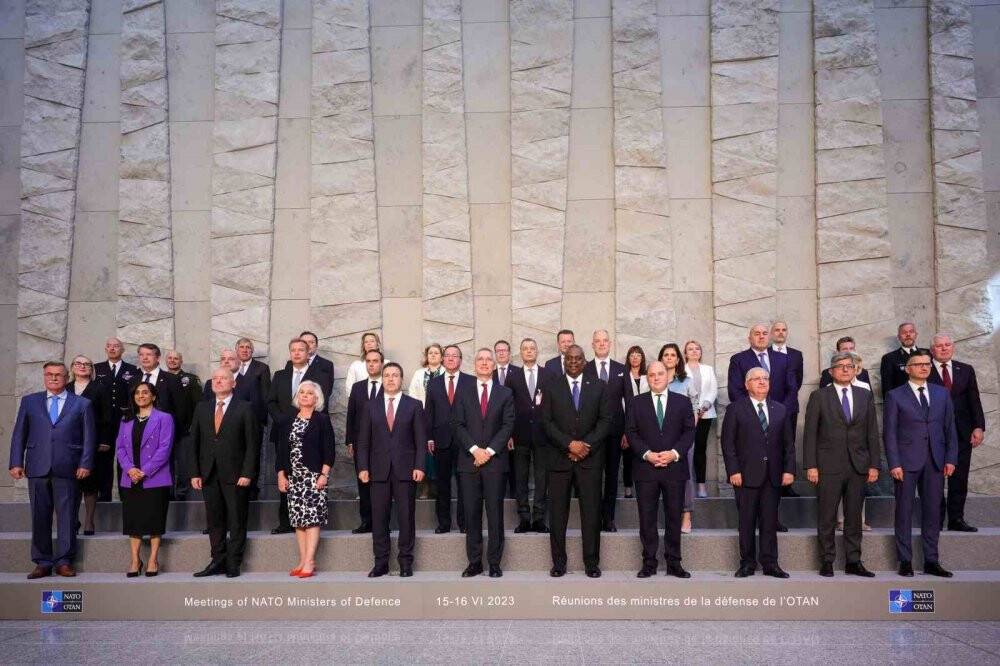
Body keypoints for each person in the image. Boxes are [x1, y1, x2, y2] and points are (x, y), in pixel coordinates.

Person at [9, 362, 95, 578]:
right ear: (44, 377)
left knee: (67, 516)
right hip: (37, 466)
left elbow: (89, 438)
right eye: (50, 375)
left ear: (67, 378)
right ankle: (43, 561)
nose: (54, 378)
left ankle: (64, 561)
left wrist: (85, 463)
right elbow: (19, 434)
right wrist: (16, 462)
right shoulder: (30, 402)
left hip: (69, 467)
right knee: (39, 516)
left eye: (58, 375)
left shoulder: (82, 404)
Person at [803, 352, 881, 578]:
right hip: (828, 466)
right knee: (827, 516)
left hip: (858, 466)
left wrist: (874, 465)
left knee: (854, 516)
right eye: (841, 366)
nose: (846, 369)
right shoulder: (819, 396)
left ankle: (853, 561)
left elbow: (872, 434)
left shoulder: (864, 396)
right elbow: (810, 435)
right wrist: (811, 466)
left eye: (850, 366)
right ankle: (827, 561)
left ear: (856, 370)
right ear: (831, 371)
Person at [884, 350, 958, 578]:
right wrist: (894, 462)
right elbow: (889, 433)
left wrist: (950, 458)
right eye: (918, 364)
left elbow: (950, 429)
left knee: (933, 512)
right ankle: (905, 560)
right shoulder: (895, 396)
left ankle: (931, 560)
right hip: (906, 462)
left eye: (927, 364)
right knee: (904, 512)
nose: (924, 367)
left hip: (935, 461)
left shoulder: (942, 393)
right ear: (908, 369)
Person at [542, 344, 611, 578]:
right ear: (564, 361)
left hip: (589, 461)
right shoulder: (551, 387)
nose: (573, 362)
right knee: (558, 514)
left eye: (578, 358)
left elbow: (605, 421)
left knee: (591, 513)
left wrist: (584, 446)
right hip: (559, 460)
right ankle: (559, 563)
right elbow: (547, 423)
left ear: (584, 361)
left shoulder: (600, 386)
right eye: (569, 358)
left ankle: (591, 563)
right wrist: (569, 444)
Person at [721, 367, 795, 579]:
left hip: (773, 475)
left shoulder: (780, 409)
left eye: (765, 378)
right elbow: (728, 444)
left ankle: (771, 563)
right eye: (757, 379)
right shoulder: (735, 409)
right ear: (747, 384)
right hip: (745, 476)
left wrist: (789, 470)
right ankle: (747, 563)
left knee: (770, 521)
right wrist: (733, 471)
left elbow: (788, 444)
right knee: (746, 522)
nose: (762, 382)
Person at [626, 361, 696, 578]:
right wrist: (648, 454)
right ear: (647, 379)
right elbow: (631, 432)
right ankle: (649, 563)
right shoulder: (636, 403)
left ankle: (674, 563)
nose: (656, 378)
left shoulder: (683, 402)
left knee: (674, 517)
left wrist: (673, 454)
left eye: (660, 374)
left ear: (667, 376)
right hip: (646, 469)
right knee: (647, 519)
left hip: (674, 468)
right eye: (652, 375)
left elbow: (689, 433)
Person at [356, 363, 427, 578]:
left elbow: (420, 440)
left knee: (406, 518)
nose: (390, 379)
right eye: (387, 375)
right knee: (379, 518)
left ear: (401, 379)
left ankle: (406, 562)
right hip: (377, 471)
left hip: (406, 471)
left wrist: (420, 465)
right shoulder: (370, 406)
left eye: (395, 375)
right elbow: (363, 441)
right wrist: (363, 467)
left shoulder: (413, 405)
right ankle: (381, 563)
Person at [727, 323, 799, 531]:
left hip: (777, 421)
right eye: (756, 334)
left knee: (773, 475)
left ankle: (772, 520)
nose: (761, 337)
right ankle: (749, 522)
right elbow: (735, 390)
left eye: (764, 333)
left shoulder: (783, 359)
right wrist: (754, 411)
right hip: (749, 425)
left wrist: (777, 412)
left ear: (769, 337)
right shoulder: (738, 359)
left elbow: (792, 388)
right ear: (749, 338)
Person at [190, 367, 260, 578]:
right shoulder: (202, 408)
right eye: (215, 378)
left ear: (234, 383)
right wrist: (194, 472)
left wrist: (247, 473)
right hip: (209, 474)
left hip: (236, 475)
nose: (219, 381)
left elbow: (252, 445)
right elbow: (194, 443)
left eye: (224, 378)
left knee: (237, 519)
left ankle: (233, 562)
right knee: (214, 520)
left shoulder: (245, 408)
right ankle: (217, 560)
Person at [454, 349, 515, 577]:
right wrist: (474, 450)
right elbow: (457, 424)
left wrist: (488, 451)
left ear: (494, 364)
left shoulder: (505, 393)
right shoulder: (462, 392)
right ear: (474, 364)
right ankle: (475, 562)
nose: (484, 363)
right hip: (469, 463)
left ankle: (495, 563)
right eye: (480, 359)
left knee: (495, 514)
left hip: (495, 463)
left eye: (489, 360)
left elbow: (508, 425)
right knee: (471, 514)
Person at [268, 338, 331, 534]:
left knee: (307, 475)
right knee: (285, 474)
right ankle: (285, 521)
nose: (296, 353)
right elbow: (271, 402)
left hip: (310, 431)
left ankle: (307, 521)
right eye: (293, 350)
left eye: (301, 350)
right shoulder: (280, 375)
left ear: (308, 353)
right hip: (284, 429)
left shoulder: (319, 375)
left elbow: (322, 400)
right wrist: (284, 421)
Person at [274, 380, 336, 578]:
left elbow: (329, 449)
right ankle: (302, 560)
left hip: (312, 477)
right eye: (302, 392)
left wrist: (324, 474)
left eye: (310, 393)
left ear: (316, 398)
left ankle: (310, 561)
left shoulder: (322, 419)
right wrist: (281, 474)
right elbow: (282, 450)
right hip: (294, 477)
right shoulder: (288, 420)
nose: (305, 395)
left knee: (312, 520)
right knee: (298, 521)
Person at [928, 334, 986, 532]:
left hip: (962, 432)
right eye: (939, 346)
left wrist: (979, 426)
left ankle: (956, 519)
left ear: (953, 347)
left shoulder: (966, 370)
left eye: (947, 345)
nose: (944, 348)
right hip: (933, 433)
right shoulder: (924, 368)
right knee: (934, 478)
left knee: (959, 478)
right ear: (932, 350)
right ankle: (936, 520)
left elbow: (974, 400)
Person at [116, 382, 174, 577]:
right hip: (130, 478)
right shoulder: (126, 420)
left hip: (155, 478)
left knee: (154, 519)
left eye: (145, 392)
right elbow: (120, 448)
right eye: (137, 393)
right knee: (133, 521)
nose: (141, 396)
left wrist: (144, 471)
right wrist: (130, 469)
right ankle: (135, 560)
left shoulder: (164, 418)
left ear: (153, 396)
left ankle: (152, 559)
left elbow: (165, 448)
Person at [425, 345, 474, 533]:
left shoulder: (471, 381)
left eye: (455, 356)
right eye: (448, 356)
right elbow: (429, 412)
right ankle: (444, 523)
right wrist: (429, 437)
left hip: (465, 442)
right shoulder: (434, 383)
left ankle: (464, 523)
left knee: (465, 485)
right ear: (443, 360)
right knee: (442, 485)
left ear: (461, 360)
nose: (451, 358)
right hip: (441, 440)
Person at [585, 330, 627, 533]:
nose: (601, 344)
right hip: (591, 433)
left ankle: (608, 518)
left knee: (611, 476)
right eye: (598, 341)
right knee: (593, 477)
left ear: (610, 344)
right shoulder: (585, 368)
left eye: (605, 341)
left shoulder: (621, 369)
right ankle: (593, 517)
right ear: (592, 345)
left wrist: (628, 431)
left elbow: (630, 401)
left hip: (615, 433)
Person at [67, 355, 114, 535]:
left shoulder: (100, 388)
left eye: (87, 364)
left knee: (90, 482)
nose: (82, 366)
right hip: (68, 442)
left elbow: (108, 417)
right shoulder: (65, 388)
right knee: (70, 483)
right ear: (72, 367)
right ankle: (72, 521)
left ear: (92, 369)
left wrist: (105, 440)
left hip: (92, 442)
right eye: (78, 363)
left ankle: (88, 522)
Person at [509, 338, 551, 533]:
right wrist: (508, 434)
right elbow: (507, 408)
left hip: (543, 436)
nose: (529, 351)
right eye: (525, 348)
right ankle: (524, 518)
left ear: (537, 351)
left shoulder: (547, 374)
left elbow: (553, 405)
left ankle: (540, 518)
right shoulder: (513, 376)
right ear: (520, 352)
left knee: (543, 478)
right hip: (519, 435)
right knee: (521, 478)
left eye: (532, 348)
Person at [659, 343, 699, 533]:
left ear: (677, 359)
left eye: (672, 355)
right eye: (665, 354)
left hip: (682, 438)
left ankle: (687, 515)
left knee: (686, 475)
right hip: (659, 438)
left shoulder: (686, 381)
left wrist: (688, 434)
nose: (669, 357)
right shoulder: (654, 379)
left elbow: (695, 409)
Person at [344, 348, 384, 534]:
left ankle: (383, 523)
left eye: (375, 361)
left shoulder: (390, 385)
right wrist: (350, 441)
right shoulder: (358, 387)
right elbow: (351, 415)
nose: (372, 364)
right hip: (362, 444)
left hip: (385, 444)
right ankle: (366, 522)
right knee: (364, 483)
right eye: (368, 361)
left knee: (383, 484)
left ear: (381, 364)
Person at [164, 350, 201, 499]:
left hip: (184, 430)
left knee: (184, 463)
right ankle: (167, 493)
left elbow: (198, 404)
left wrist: (194, 426)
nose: (172, 361)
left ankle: (181, 493)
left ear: (181, 361)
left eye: (176, 358)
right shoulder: (160, 378)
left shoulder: (190, 379)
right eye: (170, 358)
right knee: (165, 463)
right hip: (164, 431)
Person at [409, 343, 444, 499]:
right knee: (423, 451)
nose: (433, 355)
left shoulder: (445, 373)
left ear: (442, 356)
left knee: (438, 451)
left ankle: (437, 487)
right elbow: (412, 394)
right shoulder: (419, 374)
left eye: (436, 353)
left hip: (441, 420)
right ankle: (424, 487)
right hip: (422, 417)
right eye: (430, 353)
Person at [684, 340, 718, 499]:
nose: (694, 351)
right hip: (686, 415)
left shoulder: (708, 369)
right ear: (685, 353)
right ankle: (686, 484)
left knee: (700, 449)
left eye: (697, 348)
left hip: (705, 414)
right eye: (690, 349)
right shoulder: (680, 370)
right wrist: (693, 410)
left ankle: (701, 485)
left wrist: (704, 406)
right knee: (685, 449)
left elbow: (713, 390)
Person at [622, 345, 649, 499]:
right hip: (627, 420)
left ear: (642, 358)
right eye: (632, 354)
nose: (635, 357)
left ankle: (642, 485)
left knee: (643, 454)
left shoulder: (648, 376)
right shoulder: (623, 375)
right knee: (627, 456)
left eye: (638, 354)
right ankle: (627, 487)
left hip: (644, 422)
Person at [492, 339, 518, 499]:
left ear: (509, 353)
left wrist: (512, 433)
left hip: (513, 429)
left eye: (504, 350)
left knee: (514, 467)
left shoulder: (518, 372)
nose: (501, 353)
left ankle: (514, 495)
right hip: (493, 431)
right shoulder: (489, 374)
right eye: (498, 351)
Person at [94, 337, 139, 422]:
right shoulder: (96, 368)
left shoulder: (133, 370)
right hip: (101, 416)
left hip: (124, 416)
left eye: (116, 346)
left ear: (122, 350)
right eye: (109, 346)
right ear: (105, 349)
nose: (112, 348)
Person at [129, 343, 179, 419]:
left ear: (158, 358)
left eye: (149, 354)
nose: (144, 358)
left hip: (164, 427)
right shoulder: (133, 380)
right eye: (141, 355)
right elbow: (131, 406)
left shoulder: (172, 379)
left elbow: (180, 410)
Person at [285, 330, 334, 399]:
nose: (307, 345)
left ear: (316, 345)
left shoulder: (326, 364)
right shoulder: (290, 364)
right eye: (304, 342)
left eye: (311, 342)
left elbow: (327, 392)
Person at [879, 322, 919, 398]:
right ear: (899, 337)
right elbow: (887, 388)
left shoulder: (927, 354)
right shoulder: (889, 358)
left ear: (916, 334)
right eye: (904, 333)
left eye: (911, 331)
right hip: (903, 402)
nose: (908, 335)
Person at [345, 332, 383, 398]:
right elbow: (349, 389)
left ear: (377, 344)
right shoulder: (355, 365)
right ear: (363, 346)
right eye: (366, 342)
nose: (369, 344)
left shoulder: (387, 364)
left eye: (372, 341)